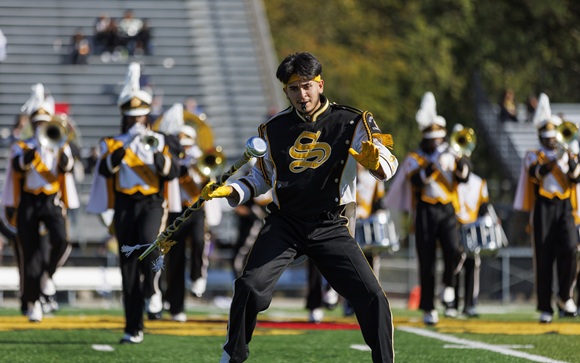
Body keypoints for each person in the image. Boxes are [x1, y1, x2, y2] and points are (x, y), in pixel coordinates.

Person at [202, 52, 398, 363]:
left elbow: (388, 164)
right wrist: (232, 190)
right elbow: (260, 178)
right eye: (293, 89)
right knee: (249, 286)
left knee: (372, 296)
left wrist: (378, 162)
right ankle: (233, 356)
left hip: (330, 224)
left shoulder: (352, 120)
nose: (301, 94)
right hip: (286, 223)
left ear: (320, 84)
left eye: (307, 86)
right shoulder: (274, 128)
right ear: (285, 92)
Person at [87, 63, 180, 343]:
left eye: (141, 117)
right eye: (132, 118)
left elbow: (173, 172)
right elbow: (104, 170)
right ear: (125, 118)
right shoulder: (112, 143)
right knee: (127, 266)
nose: (137, 122)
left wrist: (152, 151)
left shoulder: (161, 140)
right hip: (125, 206)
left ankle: (153, 289)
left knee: (149, 243)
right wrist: (128, 144)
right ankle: (133, 327)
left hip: (152, 203)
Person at [384, 92, 468, 325]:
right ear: (425, 138)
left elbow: (463, 178)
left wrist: (459, 158)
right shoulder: (414, 158)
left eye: (440, 139)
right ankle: (429, 306)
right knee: (427, 259)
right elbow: (417, 182)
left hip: (448, 210)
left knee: (454, 250)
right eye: (433, 139)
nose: (437, 143)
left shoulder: (450, 155)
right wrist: (434, 165)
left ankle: (449, 285)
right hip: (425, 211)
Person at [1, 83, 80, 322]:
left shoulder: (59, 145)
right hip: (28, 202)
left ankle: (48, 274)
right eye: (36, 124)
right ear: (32, 126)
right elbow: (17, 166)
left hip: (51, 201)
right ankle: (32, 301)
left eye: (44, 124)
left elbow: (67, 167)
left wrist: (59, 149)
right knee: (30, 252)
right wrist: (34, 150)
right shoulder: (22, 146)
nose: (40, 128)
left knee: (62, 240)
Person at [513, 93, 579, 323]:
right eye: (549, 136)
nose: (553, 140)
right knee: (544, 256)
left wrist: (570, 159)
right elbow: (537, 175)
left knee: (571, 249)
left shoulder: (569, 153)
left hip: (564, 207)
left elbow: (576, 178)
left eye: (555, 136)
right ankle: (545, 306)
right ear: (541, 136)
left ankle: (564, 295)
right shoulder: (534, 155)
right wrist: (554, 160)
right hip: (543, 207)